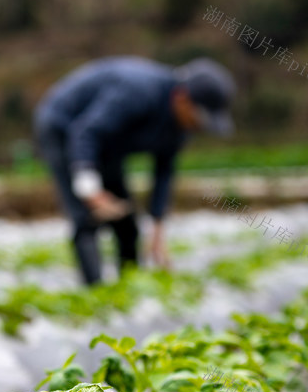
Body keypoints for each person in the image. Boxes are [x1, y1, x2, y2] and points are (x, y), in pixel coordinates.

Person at [33, 56, 236, 285]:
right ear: (182, 98)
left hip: (107, 142)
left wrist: (158, 226)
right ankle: (94, 295)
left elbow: (164, 170)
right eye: (199, 118)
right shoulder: (137, 92)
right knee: (87, 218)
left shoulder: (181, 126)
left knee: (126, 221)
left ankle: (127, 290)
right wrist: (90, 190)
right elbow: (86, 133)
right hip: (64, 126)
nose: (198, 127)